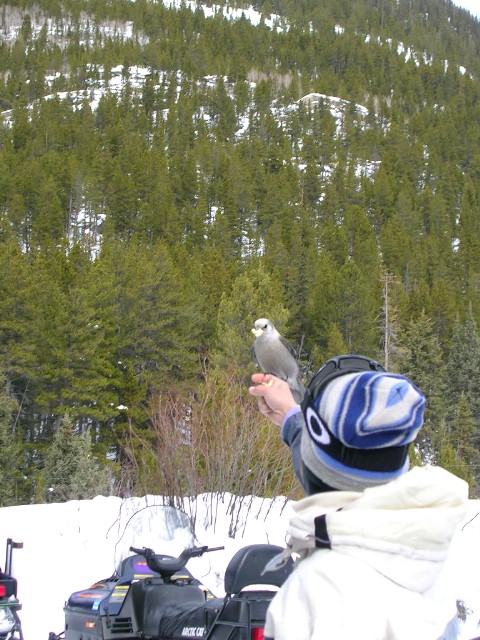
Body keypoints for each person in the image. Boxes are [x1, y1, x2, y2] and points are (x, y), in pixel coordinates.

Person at [249, 355, 469, 640]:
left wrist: (297, 421)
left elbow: (329, 474)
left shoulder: (318, 589)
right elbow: (340, 476)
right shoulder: (424, 555)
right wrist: (292, 417)